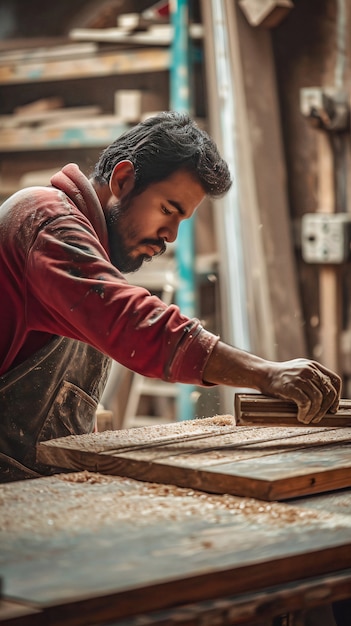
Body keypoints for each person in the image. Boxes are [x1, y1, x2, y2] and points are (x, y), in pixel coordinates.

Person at [0, 111, 341, 482]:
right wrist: (266, 374)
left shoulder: (82, 243)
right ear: (124, 179)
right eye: (168, 210)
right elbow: (130, 322)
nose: (171, 236)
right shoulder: (46, 219)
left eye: (182, 220)